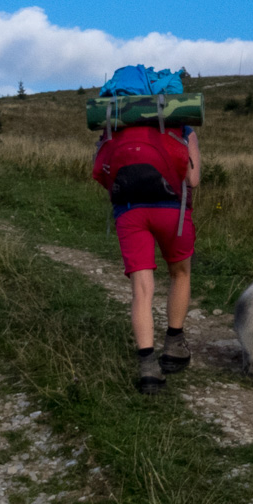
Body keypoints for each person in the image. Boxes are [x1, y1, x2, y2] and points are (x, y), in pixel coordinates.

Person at [91, 116, 200, 393]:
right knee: (180, 273)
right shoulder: (183, 128)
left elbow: (102, 172)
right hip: (171, 210)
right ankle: (174, 346)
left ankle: (148, 369)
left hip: (130, 211)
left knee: (141, 289)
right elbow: (193, 179)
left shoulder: (115, 126)